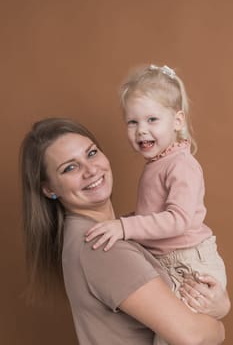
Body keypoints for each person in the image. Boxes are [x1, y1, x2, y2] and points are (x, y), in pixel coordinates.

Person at [20, 117, 229, 345]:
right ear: (49, 189)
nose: (91, 170)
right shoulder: (101, 246)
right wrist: (219, 324)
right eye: (70, 167)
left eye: (91, 153)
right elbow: (194, 337)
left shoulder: (104, 234)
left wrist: (219, 305)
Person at [84, 65, 228, 344]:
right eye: (132, 122)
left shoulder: (181, 165)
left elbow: (177, 220)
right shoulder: (159, 162)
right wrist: (121, 223)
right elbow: (153, 214)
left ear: (177, 121)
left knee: (177, 335)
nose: (141, 131)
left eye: (152, 120)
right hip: (168, 260)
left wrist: (125, 226)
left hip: (189, 262)